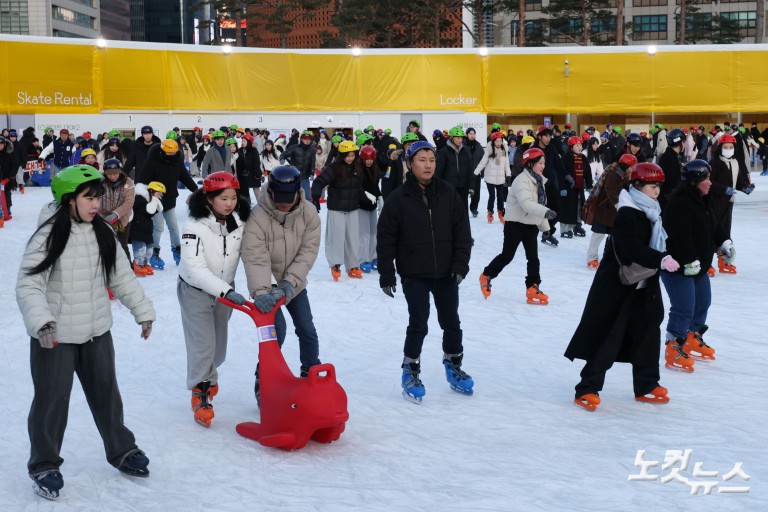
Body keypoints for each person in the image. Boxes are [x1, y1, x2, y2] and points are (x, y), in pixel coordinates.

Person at [16, 165, 155, 500]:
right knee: (51, 402)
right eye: (88, 198)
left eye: (97, 197)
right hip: (55, 335)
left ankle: (122, 450)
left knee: (107, 394)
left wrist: (143, 311)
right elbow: (29, 284)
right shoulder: (47, 235)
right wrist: (42, 321)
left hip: (96, 332)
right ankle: (45, 463)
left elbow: (121, 278)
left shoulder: (103, 232)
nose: (96, 204)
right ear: (68, 200)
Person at [565, 163, 677, 412]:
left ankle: (647, 385)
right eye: (652, 186)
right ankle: (587, 388)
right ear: (637, 186)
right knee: (609, 336)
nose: (657, 191)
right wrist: (659, 259)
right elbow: (629, 250)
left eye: (659, 186)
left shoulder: (651, 210)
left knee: (648, 332)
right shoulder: (627, 212)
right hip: (618, 286)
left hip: (643, 284)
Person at [376, 141, 473, 403]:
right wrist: (387, 274)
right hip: (414, 272)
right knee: (418, 322)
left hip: (446, 272)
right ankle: (410, 370)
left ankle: (453, 365)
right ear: (409, 164)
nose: (428, 164)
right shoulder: (398, 199)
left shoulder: (448, 193)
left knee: (451, 321)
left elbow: (463, 233)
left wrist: (460, 265)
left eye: (431, 159)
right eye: (422, 159)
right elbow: (385, 239)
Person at [241, 166, 323, 404]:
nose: (284, 204)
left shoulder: (309, 213)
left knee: (306, 329)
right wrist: (261, 292)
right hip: (267, 285)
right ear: (272, 192)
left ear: (298, 191)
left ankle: (311, 373)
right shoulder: (257, 216)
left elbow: (309, 251)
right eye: (280, 198)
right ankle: (264, 377)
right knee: (275, 332)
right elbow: (255, 256)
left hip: (293, 282)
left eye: (290, 198)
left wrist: (290, 283)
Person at [177, 172, 251, 428]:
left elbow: (253, 257)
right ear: (208, 199)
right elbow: (195, 269)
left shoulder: (240, 223)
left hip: (225, 290)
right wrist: (226, 291)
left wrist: (269, 286)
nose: (229, 203)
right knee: (204, 344)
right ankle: (201, 392)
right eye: (223, 198)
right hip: (195, 290)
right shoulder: (194, 227)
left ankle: (207, 375)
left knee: (218, 349)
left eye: (233, 197)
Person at [661, 160, 732, 373]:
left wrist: (724, 241)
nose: (710, 183)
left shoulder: (703, 199)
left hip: (699, 267)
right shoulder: (679, 203)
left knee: (702, 303)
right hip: (679, 267)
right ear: (694, 182)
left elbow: (714, 225)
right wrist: (689, 259)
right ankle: (673, 346)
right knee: (684, 308)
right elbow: (680, 236)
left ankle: (692, 337)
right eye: (707, 179)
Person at [478, 148, 555, 305]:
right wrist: (547, 212)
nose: (543, 166)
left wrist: (545, 228)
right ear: (530, 163)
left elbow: (539, 204)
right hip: (515, 225)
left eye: (544, 163)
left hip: (531, 225)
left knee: (533, 258)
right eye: (540, 163)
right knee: (507, 255)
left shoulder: (539, 181)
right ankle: (486, 275)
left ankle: (533, 287)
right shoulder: (521, 180)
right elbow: (527, 204)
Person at [137, 139, 199, 268]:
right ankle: (154, 253)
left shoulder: (177, 162)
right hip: (156, 200)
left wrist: (196, 191)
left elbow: (185, 177)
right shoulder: (152, 162)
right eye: (168, 153)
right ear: (162, 150)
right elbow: (143, 181)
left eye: (173, 153)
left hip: (170, 199)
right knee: (158, 227)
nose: (170, 155)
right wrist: (148, 195)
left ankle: (177, 251)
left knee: (174, 227)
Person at [311, 140, 364, 280]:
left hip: (353, 208)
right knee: (337, 238)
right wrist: (316, 197)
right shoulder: (333, 168)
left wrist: (366, 198)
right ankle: (336, 264)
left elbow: (359, 187)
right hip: (337, 209)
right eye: (347, 155)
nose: (350, 158)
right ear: (341, 155)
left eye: (352, 155)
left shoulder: (357, 168)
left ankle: (353, 265)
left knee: (353, 238)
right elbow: (319, 182)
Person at [708, 134, 754, 274]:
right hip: (715, 203)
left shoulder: (735, 163)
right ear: (720, 148)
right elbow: (709, 183)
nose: (728, 149)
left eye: (731, 147)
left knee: (725, 232)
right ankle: (706, 263)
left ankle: (724, 262)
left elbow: (738, 181)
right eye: (725, 147)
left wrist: (745, 188)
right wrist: (723, 190)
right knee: (712, 233)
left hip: (728, 203)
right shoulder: (714, 163)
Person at [585, 154, 637, 268]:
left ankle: (608, 255)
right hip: (604, 210)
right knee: (598, 234)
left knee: (613, 235)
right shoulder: (613, 173)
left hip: (614, 212)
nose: (632, 169)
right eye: (631, 166)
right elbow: (610, 190)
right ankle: (592, 257)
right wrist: (618, 204)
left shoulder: (625, 174)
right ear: (625, 165)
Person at [99, 158, 135, 264]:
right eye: (109, 174)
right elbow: (95, 199)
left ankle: (128, 268)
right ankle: (106, 267)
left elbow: (129, 202)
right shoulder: (100, 182)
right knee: (104, 245)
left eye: (115, 174)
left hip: (122, 219)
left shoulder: (128, 182)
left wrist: (116, 214)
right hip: (103, 218)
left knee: (122, 245)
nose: (113, 176)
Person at [129, 181, 165, 277]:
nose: (160, 196)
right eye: (158, 193)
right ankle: (137, 264)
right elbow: (144, 211)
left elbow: (150, 213)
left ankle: (143, 264)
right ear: (152, 191)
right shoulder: (140, 198)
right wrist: (153, 201)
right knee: (140, 249)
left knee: (149, 250)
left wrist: (155, 203)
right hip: (137, 228)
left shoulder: (152, 200)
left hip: (147, 229)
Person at [473, 131, 510, 224]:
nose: (498, 143)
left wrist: (508, 175)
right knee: (492, 196)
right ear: (493, 141)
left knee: (500, 197)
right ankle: (490, 213)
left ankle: (501, 213)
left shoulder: (504, 150)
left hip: (501, 178)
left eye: (500, 141)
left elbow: (506, 164)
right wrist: (475, 173)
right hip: (490, 177)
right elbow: (482, 162)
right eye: (497, 141)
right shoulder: (489, 150)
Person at [357, 146, 383, 272]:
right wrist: (365, 195)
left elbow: (375, 186)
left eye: (371, 159)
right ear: (362, 159)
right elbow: (357, 188)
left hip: (372, 207)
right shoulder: (357, 170)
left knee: (374, 233)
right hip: (361, 206)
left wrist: (380, 196)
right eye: (366, 159)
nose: (369, 161)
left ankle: (373, 257)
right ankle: (363, 259)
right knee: (364, 234)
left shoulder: (375, 169)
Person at [559, 136, 592, 238]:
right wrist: (563, 188)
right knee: (568, 209)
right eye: (577, 145)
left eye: (580, 145)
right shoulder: (566, 157)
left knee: (579, 207)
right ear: (571, 146)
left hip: (579, 188)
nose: (579, 147)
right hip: (569, 189)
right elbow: (561, 173)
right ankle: (565, 229)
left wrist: (589, 185)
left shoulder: (583, 158)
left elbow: (588, 173)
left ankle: (577, 225)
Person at [436, 125, 473, 212]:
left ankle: (463, 226)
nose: (460, 140)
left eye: (461, 138)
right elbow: (438, 171)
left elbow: (470, 170)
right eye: (457, 138)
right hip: (448, 188)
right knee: (449, 212)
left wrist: (471, 186)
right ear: (451, 138)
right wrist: (438, 187)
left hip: (463, 188)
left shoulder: (465, 151)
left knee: (463, 212)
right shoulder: (443, 152)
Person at [279, 130, 316, 200]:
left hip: (305, 177)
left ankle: (308, 210)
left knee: (307, 197)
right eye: (305, 139)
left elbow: (313, 162)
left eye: (309, 139)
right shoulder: (294, 147)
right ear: (301, 139)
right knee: (293, 196)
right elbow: (284, 154)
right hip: (294, 176)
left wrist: (312, 173)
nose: (307, 141)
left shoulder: (312, 150)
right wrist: (282, 158)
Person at [658, 128, 685, 210]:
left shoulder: (670, 155)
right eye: (684, 142)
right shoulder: (670, 157)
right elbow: (673, 181)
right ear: (681, 143)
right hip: (668, 200)